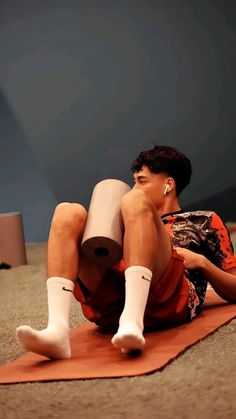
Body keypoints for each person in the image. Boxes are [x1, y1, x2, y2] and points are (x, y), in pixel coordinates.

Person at [16, 145, 236, 359]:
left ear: (168, 185)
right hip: (113, 306)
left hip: (169, 301)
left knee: (134, 201)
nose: (134, 188)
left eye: (142, 181)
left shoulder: (203, 220)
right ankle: (57, 332)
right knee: (67, 211)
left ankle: (133, 321)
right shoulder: (123, 218)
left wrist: (201, 263)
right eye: (134, 182)